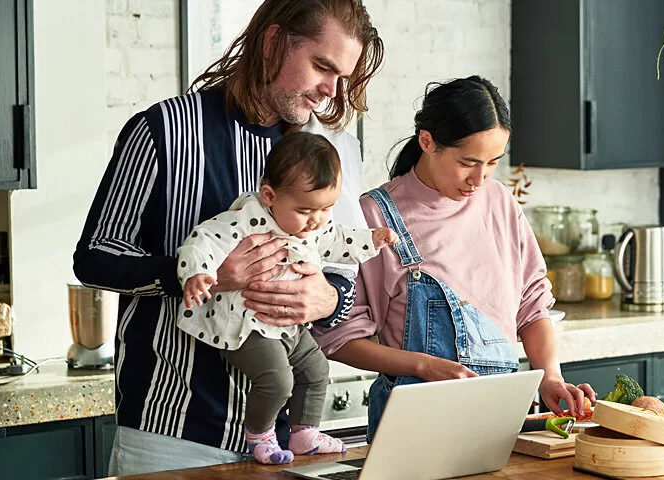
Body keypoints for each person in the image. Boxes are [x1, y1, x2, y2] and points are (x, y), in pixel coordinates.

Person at [72, 0, 383, 475]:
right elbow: (94, 257)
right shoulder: (161, 132)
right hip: (172, 434)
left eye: (342, 76)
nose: (330, 90)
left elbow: (341, 276)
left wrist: (326, 298)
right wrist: (198, 276)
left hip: (282, 447)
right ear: (273, 42)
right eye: (322, 66)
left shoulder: (325, 153)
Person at [311, 76, 595, 443]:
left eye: (492, 163)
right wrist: (423, 365)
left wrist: (550, 377)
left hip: (497, 418)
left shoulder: (500, 204)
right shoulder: (373, 217)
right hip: (413, 423)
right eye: (468, 162)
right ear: (427, 142)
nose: (479, 179)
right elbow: (338, 337)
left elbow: (532, 306)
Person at [176, 132, 397, 464]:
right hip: (245, 324)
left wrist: (371, 240)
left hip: (290, 328)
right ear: (269, 195)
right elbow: (202, 240)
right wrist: (197, 273)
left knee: (316, 369)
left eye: (326, 209)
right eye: (306, 210)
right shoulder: (245, 219)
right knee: (278, 380)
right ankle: (260, 435)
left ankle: (304, 432)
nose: (316, 220)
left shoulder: (313, 225)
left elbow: (336, 239)